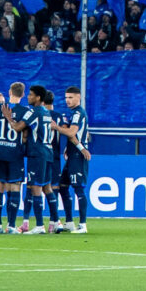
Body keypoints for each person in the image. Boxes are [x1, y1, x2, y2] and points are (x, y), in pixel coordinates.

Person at [0, 81, 29, 234]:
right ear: (23, 94)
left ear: (10, 92)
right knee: (15, 187)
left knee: (0, 186)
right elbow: (26, 133)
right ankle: (11, 225)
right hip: (15, 153)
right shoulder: (25, 111)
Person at [23, 85, 61, 234]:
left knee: (36, 188)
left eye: (31, 95)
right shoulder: (46, 112)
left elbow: (19, 127)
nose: (28, 97)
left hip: (37, 154)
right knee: (47, 188)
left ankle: (39, 225)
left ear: (38, 98)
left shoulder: (33, 112)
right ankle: (56, 222)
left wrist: (8, 118)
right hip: (48, 152)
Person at [56, 84, 92, 234]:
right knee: (62, 186)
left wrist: (56, 127)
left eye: (70, 97)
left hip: (78, 156)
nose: (67, 100)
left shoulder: (78, 113)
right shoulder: (72, 113)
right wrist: (68, 148)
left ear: (79, 98)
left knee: (78, 188)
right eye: (66, 97)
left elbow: (71, 133)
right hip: (72, 154)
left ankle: (82, 225)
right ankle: (70, 222)